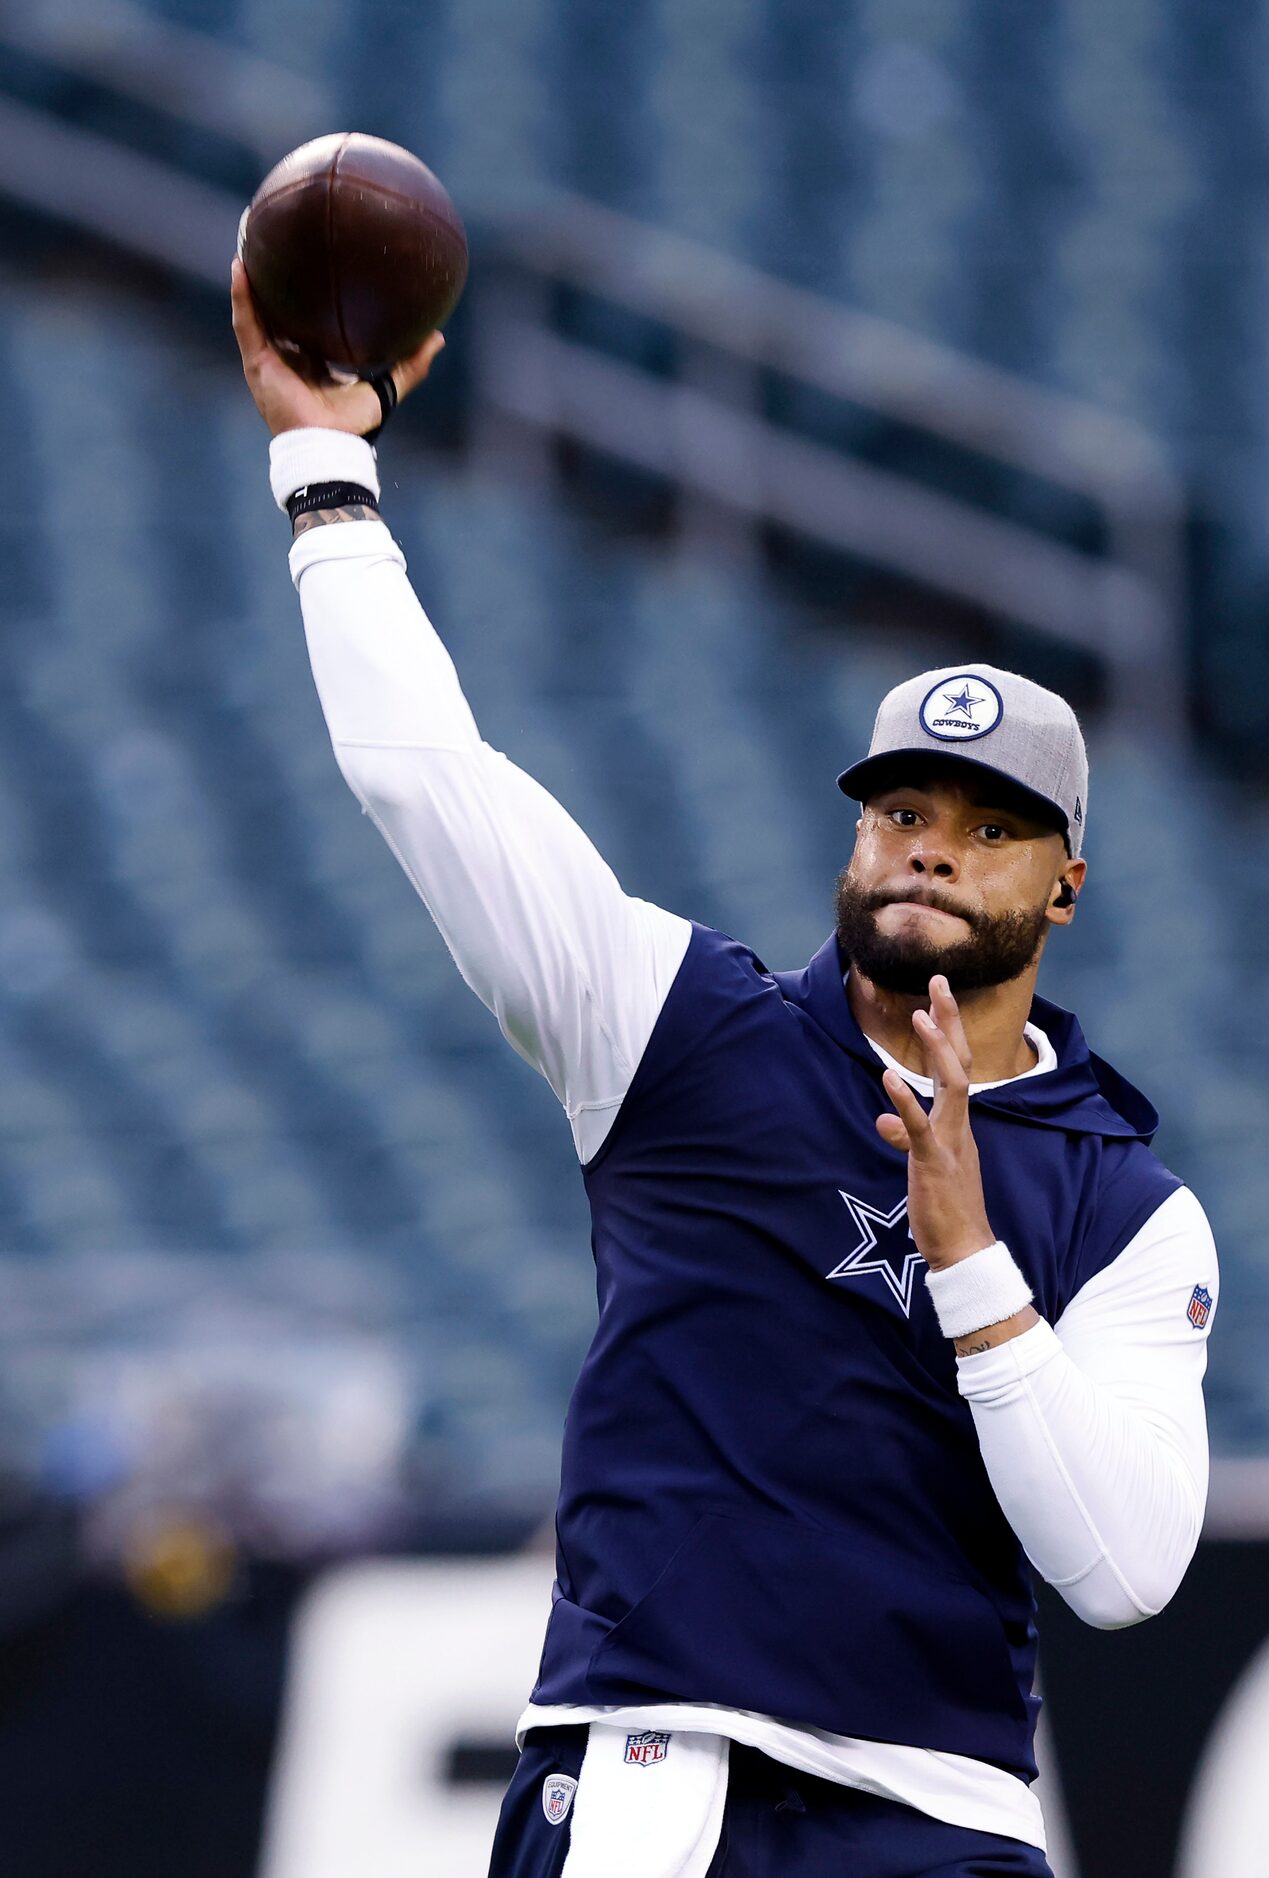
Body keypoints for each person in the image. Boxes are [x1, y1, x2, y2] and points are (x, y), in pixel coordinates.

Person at [233, 266, 1218, 1878]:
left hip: (939, 1819)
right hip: (647, 1784)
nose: (929, 850)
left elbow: (1118, 1567)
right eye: (901, 810)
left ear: (1064, 887)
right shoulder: (672, 1028)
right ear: (851, 832)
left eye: (987, 828)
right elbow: (430, 783)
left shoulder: (1125, 1208)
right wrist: (328, 477)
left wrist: (972, 1264)